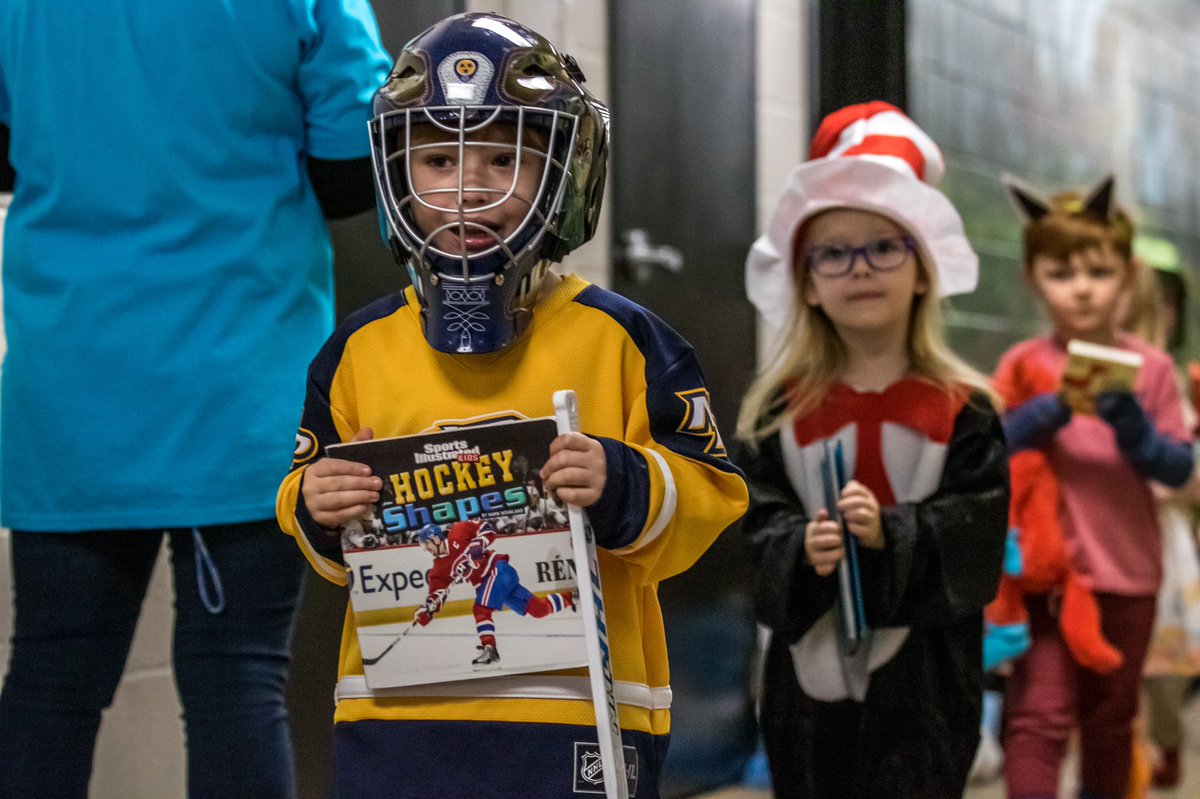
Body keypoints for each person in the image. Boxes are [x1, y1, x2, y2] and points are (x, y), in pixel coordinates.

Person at [274, 12, 749, 798]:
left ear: (562, 170)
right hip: (399, 719)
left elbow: (713, 498)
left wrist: (625, 481)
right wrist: (320, 505)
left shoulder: (625, 340)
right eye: (436, 157)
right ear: (397, 174)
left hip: (581, 718)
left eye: (504, 156)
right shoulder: (357, 349)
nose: (468, 185)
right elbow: (316, 528)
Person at [0, 3, 390, 798]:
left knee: (51, 681)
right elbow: (358, 165)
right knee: (236, 683)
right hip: (241, 384)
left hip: (73, 381)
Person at [736, 101, 1009, 799]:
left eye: (884, 245)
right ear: (808, 282)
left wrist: (895, 533)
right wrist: (804, 547)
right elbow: (755, 523)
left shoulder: (966, 408)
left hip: (924, 677)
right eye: (834, 251)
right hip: (806, 673)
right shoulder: (776, 410)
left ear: (923, 269)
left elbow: (977, 530)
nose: (860, 267)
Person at [994, 176, 1193, 799]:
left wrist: (1138, 436)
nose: (1081, 287)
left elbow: (1181, 471)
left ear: (1127, 278)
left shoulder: (1154, 370)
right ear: (1033, 278)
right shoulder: (1024, 363)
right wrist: (1038, 416)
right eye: (1061, 272)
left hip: (1128, 575)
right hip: (1042, 577)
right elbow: (985, 456)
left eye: (1099, 272)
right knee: (1038, 717)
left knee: (1110, 723)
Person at [412, 520, 576, 668]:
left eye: (426, 544)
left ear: (436, 538)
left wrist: (477, 544)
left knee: (480, 609)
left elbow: (487, 528)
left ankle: (489, 648)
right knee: (539, 610)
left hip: (497, 571)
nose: (426, 549)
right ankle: (573, 597)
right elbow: (437, 594)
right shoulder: (439, 569)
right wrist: (427, 608)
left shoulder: (459, 530)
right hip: (491, 583)